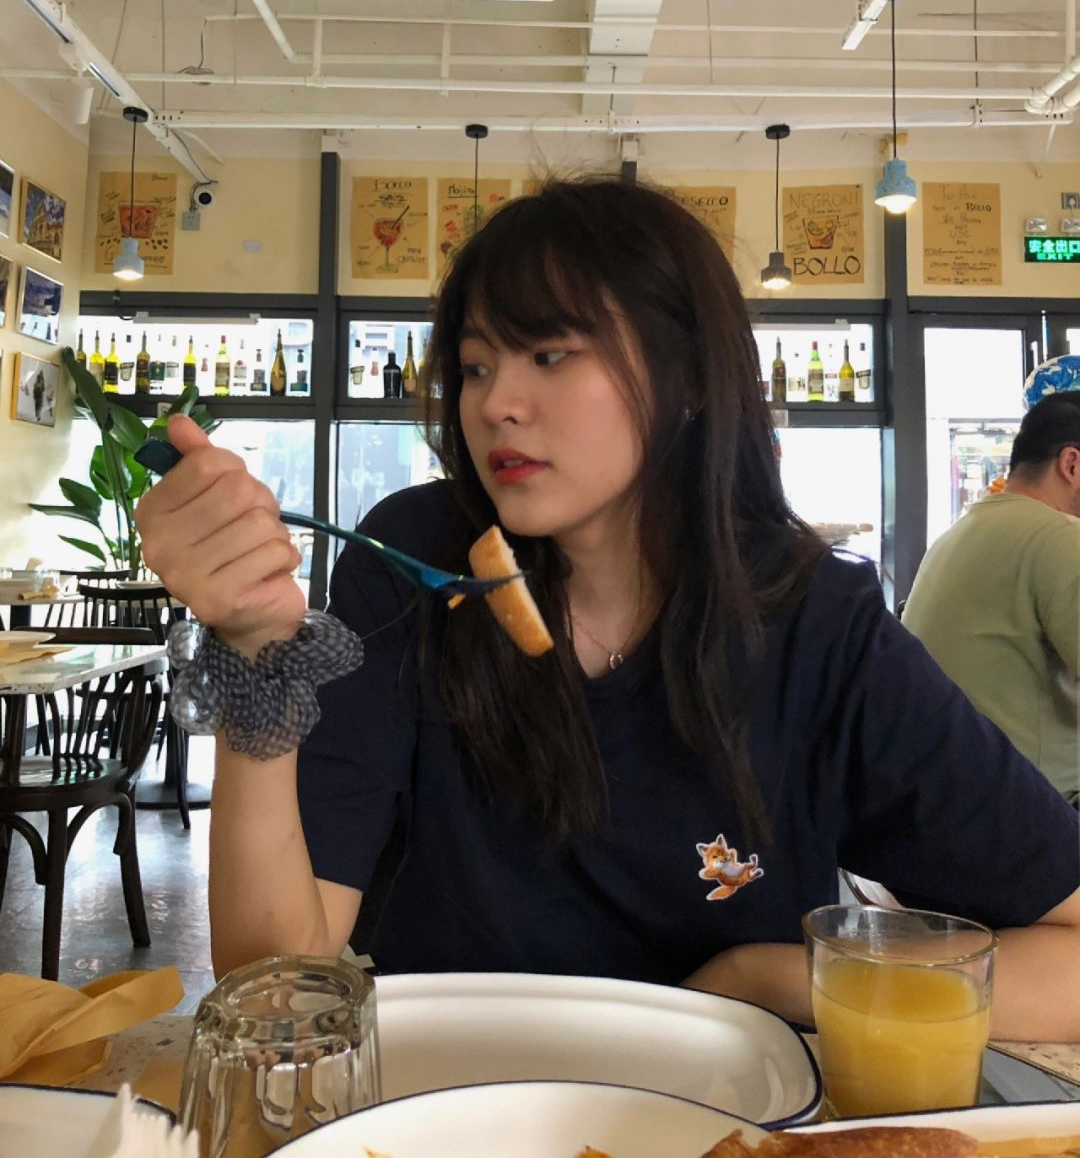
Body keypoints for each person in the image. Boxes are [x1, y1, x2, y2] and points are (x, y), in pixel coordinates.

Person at [135, 177, 1080, 1041]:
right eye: (474, 366)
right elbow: (273, 978)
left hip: (722, 1125)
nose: (495, 404)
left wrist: (777, 978)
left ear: (688, 376)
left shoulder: (813, 623)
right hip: (446, 1109)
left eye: (549, 353)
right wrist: (257, 652)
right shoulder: (413, 565)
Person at [903, 392, 1080, 803]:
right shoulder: (1060, 537)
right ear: (1072, 465)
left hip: (945, 796)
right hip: (1027, 805)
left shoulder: (959, 533)